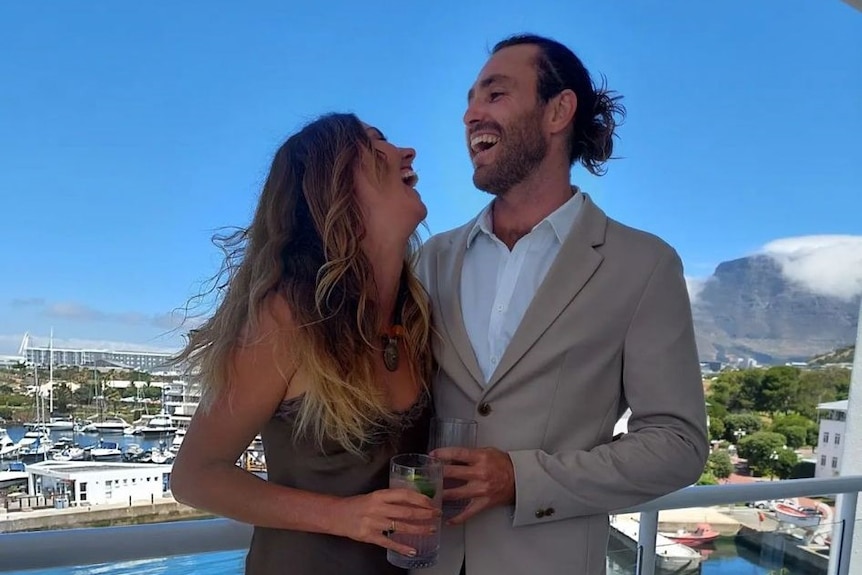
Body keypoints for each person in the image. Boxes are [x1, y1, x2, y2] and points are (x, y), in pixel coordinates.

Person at [415, 34, 709, 575]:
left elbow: (678, 443)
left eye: (495, 95)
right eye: (470, 99)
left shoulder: (642, 265)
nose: (470, 114)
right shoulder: (431, 259)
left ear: (559, 110)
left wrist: (522, 480)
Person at [170, 112, 440, 575]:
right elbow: (194, 476)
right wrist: (343, 516)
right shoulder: (286, 320)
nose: (406, 152)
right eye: (376, 147)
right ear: (335, 190)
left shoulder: (415, 320)